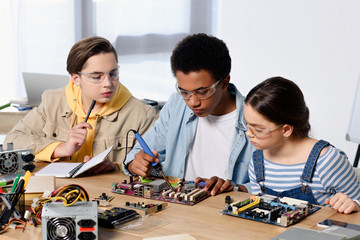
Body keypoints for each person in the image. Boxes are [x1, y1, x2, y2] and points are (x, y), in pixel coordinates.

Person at [122, 33, 255, 195]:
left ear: (224, 83)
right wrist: (136, 164)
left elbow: (271, 186)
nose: (192, 102)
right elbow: (138, 153)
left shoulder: (256, 118)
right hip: (178, 209)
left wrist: (235, 187)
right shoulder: (176, 104)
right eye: (184, 91)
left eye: (202, 92)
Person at [4, 36, 157, 174]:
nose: (108, 84)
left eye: (113, 74)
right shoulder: (53, 101)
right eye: (97, 77)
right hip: (56, 193)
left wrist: (118, 166)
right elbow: (12, 140)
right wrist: (61, 148)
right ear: (76, 78)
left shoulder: (142, 114)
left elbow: (157, 168)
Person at [245, 76, 360, 214]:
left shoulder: (326, 160)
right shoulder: (258, 162)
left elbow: (357, 201)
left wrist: (354, 205)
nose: (248, 133)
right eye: (247, 125)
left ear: (286, 130)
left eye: (257, 129)